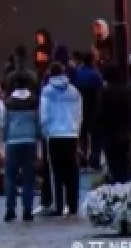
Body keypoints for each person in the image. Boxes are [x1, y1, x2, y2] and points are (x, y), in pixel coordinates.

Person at [40, 61, 82, 216]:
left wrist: (45, 133)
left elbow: (44, 116)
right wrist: (76, 130)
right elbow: (79, 114)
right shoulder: (74, 91)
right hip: (71, 135)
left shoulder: (47, 91)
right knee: (72, 171)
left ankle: (58, 205)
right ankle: (73, 205)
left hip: (54, 136)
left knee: (56, 172)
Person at [0, 70, 40, 222]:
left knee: (10, 177)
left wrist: (5, 139)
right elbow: (38, 121)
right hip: (29, 142)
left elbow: (4, 123)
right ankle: (27, 210)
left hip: (13, 142)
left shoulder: (8, 102)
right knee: (29, 177)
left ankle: (10, 209)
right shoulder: (34, 101)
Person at [95, 63, 131, 184]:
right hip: (124, 131)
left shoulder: (104, 92)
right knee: (124, 162)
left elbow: (99, 113)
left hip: (109, 133)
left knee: (113, 163)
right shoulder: (126, 90)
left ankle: (115, 186)